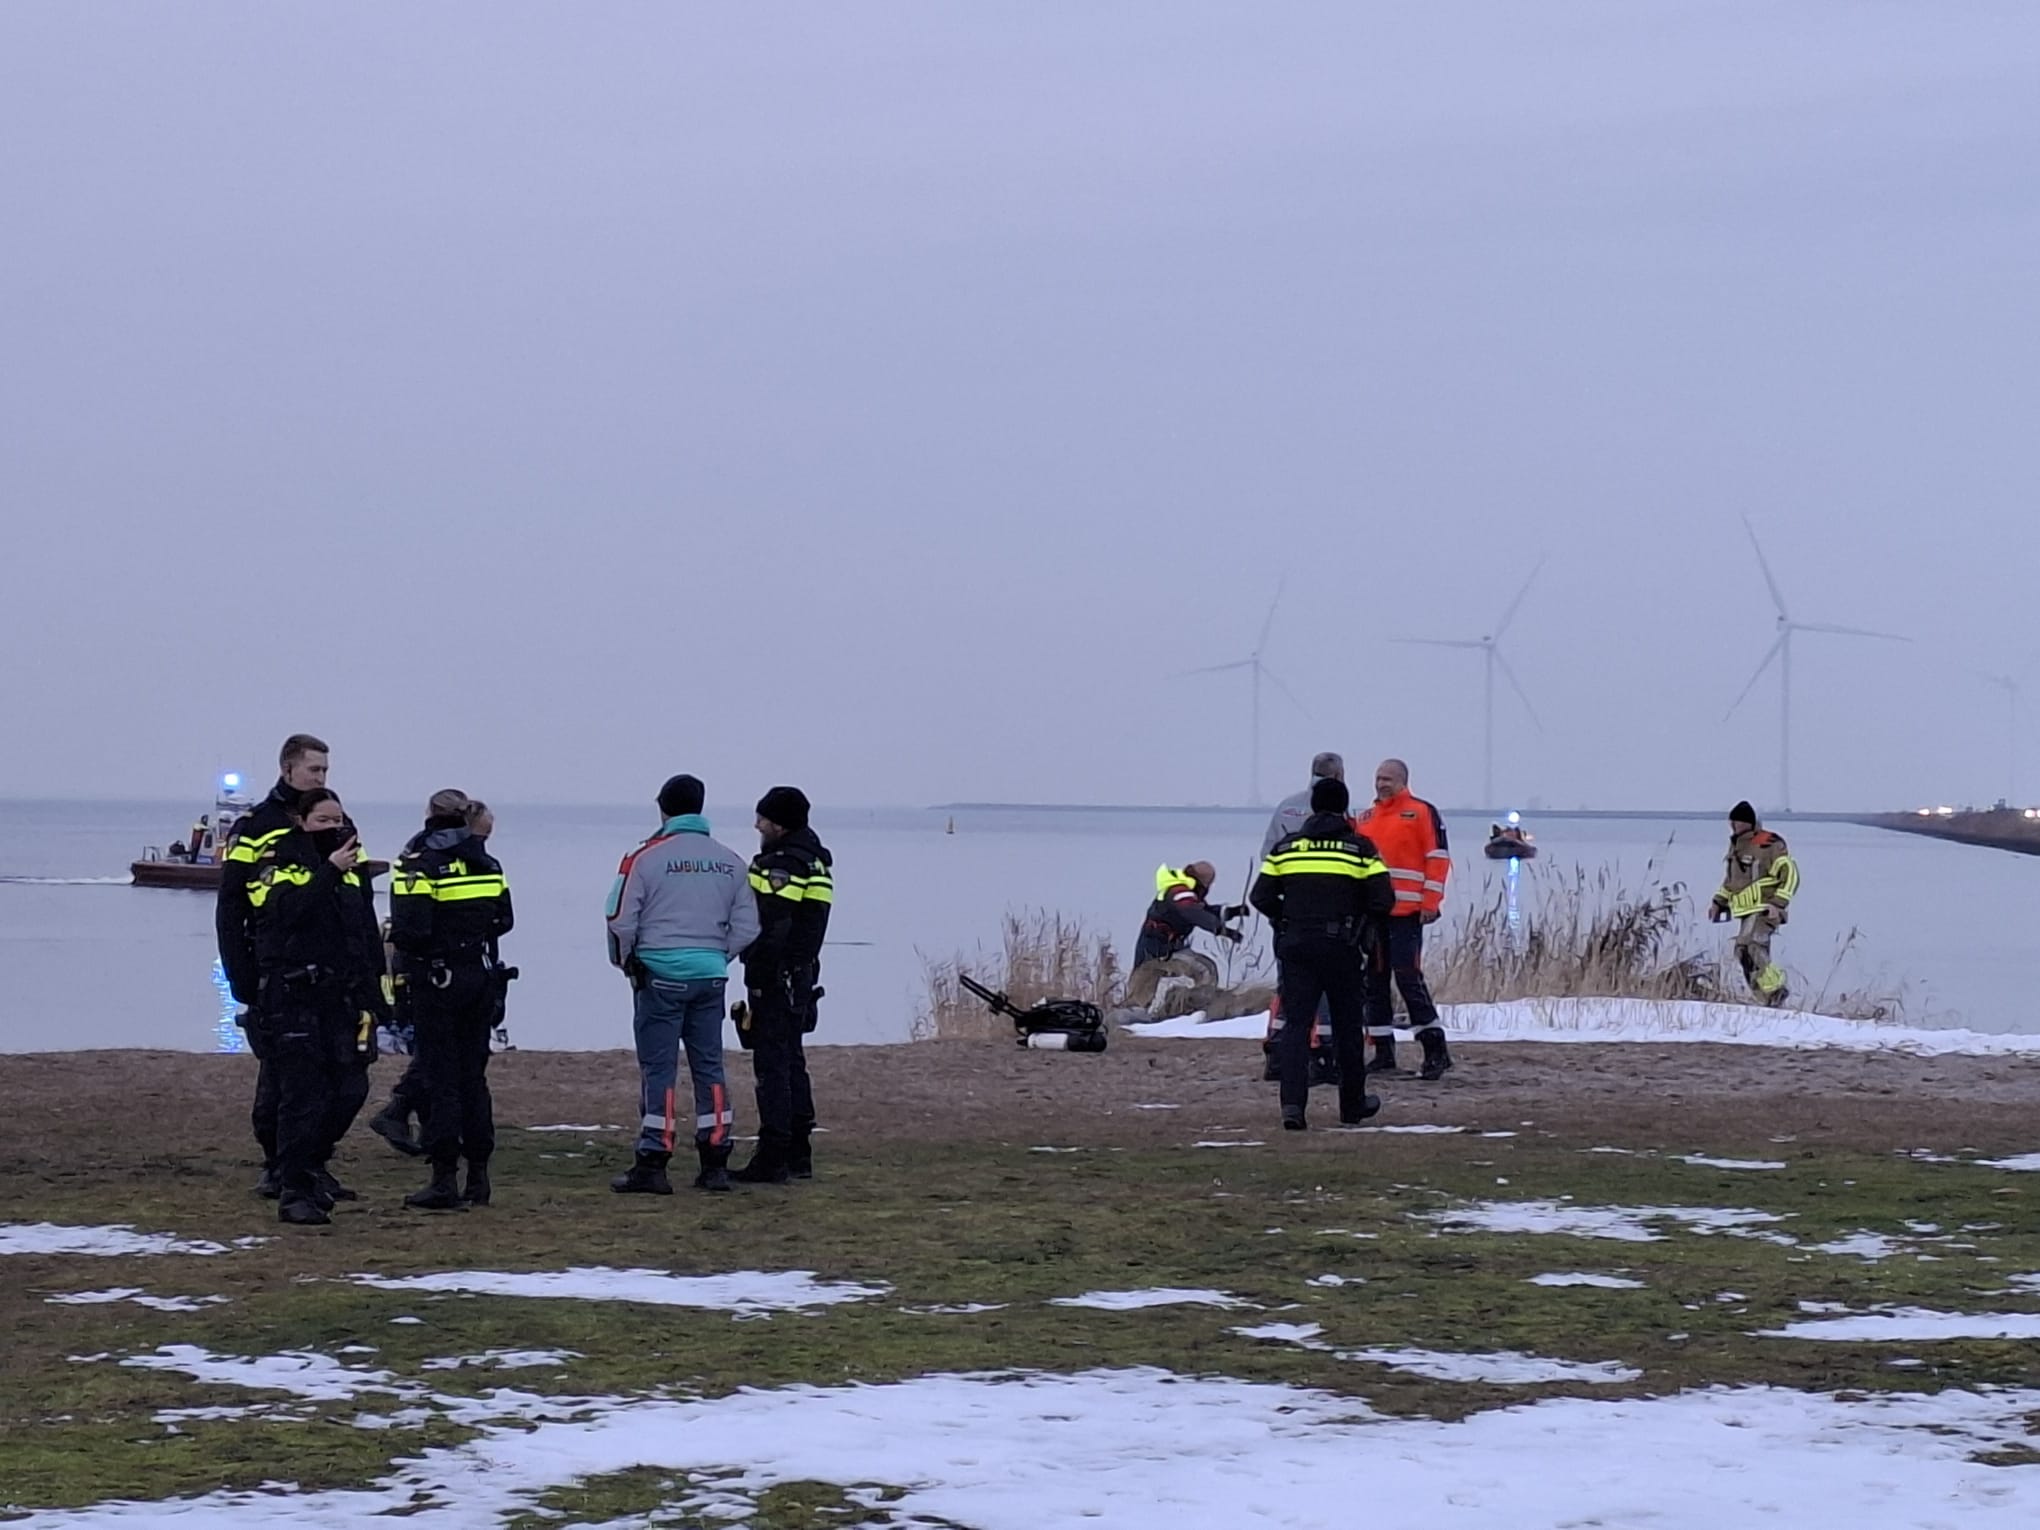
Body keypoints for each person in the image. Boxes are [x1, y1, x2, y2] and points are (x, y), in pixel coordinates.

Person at [605, 774, 760, 1196]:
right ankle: (715, 1160)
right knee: (710, 1066)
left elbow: (619, 918)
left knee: (660, 1069)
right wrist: (716, 954)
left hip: (659, 975)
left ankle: (654, 1160)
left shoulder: (644, 857)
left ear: (663, 808)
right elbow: (748, 926)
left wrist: (627, 961)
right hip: (709, 976)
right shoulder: (730, 860)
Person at [246, 788, 384, 1225]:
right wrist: (327, 870)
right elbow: (287, 912)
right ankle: (293, 1190)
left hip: (341, 998)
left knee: (350, 1089)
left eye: (337, 820)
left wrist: (379, 995)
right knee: (300, 1098)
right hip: (293, 998)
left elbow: (363, 934)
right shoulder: (278, 863)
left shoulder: (351, 869)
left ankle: (312, 1166)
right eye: (323, 820)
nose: (333, 827)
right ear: (302, 822)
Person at [216, 733, 331, 1197]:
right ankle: (276, 1164)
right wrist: (239, 976)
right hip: (270, 967)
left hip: (323, 969)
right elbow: (230, 906)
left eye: (324, 771)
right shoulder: (256, 826)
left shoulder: (331, 819)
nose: (320, 777)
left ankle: (310, 1163)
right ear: (287, 770)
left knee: (328, 1075)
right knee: (279, 1079)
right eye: (313, 770)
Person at [389, 789, 514, 1209]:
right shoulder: (486, 861)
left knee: (442, 1078)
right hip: (478, 973)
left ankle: (444, 1178)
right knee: (473, 1078)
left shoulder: (417, 862)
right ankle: (479, 1176)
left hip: (437, 977)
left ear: (429, 815)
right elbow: (505, 919)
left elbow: (410, 929)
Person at [1250, 777, 1396, 1130]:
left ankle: (1293, 1108)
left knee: (1297, 1026)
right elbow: (1384, 899)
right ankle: (1352, 1105)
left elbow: (1260, 897)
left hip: (1297, 945)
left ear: (1313, 807)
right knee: (1347, 1027)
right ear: (1345, 808)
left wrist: (1285, 919)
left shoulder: (1286, 848)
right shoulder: (1360, 849)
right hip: (1343, 947)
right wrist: (1360, 920)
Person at [736, 786, 832, 1184]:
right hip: (801, 974)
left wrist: (758, 969)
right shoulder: (816, 861)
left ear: (779, 823)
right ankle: (798, 1152)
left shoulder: (782, 865)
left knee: (772, 1064)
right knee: (792, 1060)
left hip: (777, 976)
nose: (757, 825)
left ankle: (773, 1155)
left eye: (762, 818)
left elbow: (772, 923)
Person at [1352, 758, 1454, 1080]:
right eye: (1378, 778)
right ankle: (1383, 1051)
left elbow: (1437, 859)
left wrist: (1431, 901)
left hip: (1407, 913)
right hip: (1374, 914)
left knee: (1408, 977)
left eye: (1388, 779)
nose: (1382, 784)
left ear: (1403, 781)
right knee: (1375, 981)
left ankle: (1435, 1048)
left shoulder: (1422, 812)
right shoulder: (1364, 817)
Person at [1711, 801, 1799, 1006]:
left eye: (1739, 823)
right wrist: (1718, 902)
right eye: (1733, 823)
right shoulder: (1736, 847)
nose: (1735, 827)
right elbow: (1732, 881)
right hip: (1745, 910)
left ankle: (1776, 989)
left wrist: (1778, 904)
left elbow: (1791, 875)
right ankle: (1764, 998)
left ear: (1749, 823)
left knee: (1753, 946)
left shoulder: (1770, 844)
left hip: (1765, 909)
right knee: (1742, 952)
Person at [1125, 862, 1245, 1012]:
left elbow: (1202, 910)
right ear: (1202, 882)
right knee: (1204, 970)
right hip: (1160, 950)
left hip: (1162, 947)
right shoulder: (1180, 892)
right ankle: (1198, 1007)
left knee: (1144, 986)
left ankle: (1140, 1010)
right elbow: (1193, 912)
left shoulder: (1180, 890)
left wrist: (1230, 912)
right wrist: (1221, 930)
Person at [1261, 752, 1346, 859]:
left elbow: (1267, 852)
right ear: (1339, 774)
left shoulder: (1286, 806)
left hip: (1289, 870)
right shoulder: (1339, 810)